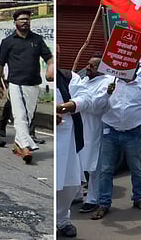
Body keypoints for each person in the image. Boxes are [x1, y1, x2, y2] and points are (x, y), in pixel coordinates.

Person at [90, 73, 141, 220]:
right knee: (106, 169)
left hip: (133, 133)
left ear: (136, 67)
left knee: (136, 168)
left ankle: (138, 198)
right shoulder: (109, 82)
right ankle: (104, 203)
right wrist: (107, 93)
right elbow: (96, 105)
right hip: (110, 131)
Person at [0, 11, 54, 164]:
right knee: (19, 116)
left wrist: (50, 69)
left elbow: (48, 57)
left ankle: (18, 144)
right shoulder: (8, 41)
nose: (25, 22)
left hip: (34, 83)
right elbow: (0, 64)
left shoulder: (37, 39)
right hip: (16, 83)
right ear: (15, 22)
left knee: (27, 116)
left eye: (27, 19)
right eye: (22, 19)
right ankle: (26, 147)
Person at [72, 57, 112, 213]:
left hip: (94, 126)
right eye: (88, 64)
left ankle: (93, 198)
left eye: (92, 65)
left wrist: (81, 103)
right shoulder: (85, 80)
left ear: (101, 68)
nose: (87, 67)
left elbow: (97, 105)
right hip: (79, 124)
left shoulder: (107, 82)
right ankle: (76, 194)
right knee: (77, 160)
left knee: (93, 164)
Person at [54, 68, 86, 238]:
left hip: (67, 138)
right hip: (51, 141)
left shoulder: (69, 77)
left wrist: (67, 107)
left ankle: (62, 220)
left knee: (70, 184)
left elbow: (84, 98)